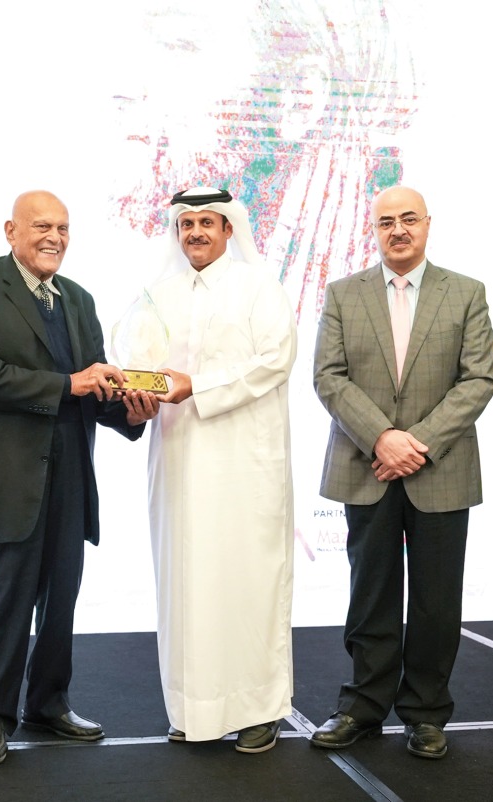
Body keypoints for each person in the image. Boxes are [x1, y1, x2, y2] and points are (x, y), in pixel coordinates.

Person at [0, 190, 158, 765]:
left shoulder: (79, 300)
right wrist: (70, 386)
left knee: (62, 596)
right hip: (5, 473)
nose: (53, 237)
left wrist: (128, 413)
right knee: (5, 598)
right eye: (41, 226)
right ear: (11, 230)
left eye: (62, 228)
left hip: (68, 474)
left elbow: (94, 383)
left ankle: (48, 702)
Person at [311, 185, 493, 760]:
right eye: (386, 221)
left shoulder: (465, 293)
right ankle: (363, 707)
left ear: (427, 224)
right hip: (366, 465)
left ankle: (425, 712)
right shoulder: (344, 293)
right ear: (374, 229)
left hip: (439, 467)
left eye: (408, 219)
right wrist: (383, 438)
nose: (398, 230)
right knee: (370, 595)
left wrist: (416, 443)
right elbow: (329, 376)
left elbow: (478, 380)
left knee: (438, 600)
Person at [141, 187, 296, 753]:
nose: (196, 233)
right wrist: (137, 394)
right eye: (187, 225)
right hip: (179, 461)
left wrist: (196, 387)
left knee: (248, 581)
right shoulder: (159, 295)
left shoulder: (261, 289)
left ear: (229, 229)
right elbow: (147, 369)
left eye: (207, 223)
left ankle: (259, 708)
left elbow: (275, 361)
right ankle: (194, 707)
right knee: (185, 582)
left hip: (243, 466)